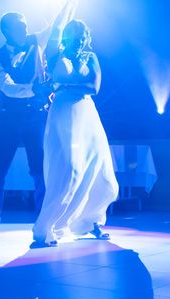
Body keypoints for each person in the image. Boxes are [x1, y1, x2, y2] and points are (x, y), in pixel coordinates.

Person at [0, 0, 80, 244]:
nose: (26, 28)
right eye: (20, 26)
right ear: (7, 31)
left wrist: (69, 2)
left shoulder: (37, 40)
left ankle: (43, 225)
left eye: (25, 25)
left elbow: (57, 25)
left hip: (36, 116)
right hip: (9, 119)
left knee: (40, 170)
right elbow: (7, 88)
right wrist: (34, 89)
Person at [32, 19, 119, 247]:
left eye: (82, 34)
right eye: (74, 34)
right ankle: (47, 226)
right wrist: (69, 3)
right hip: (62, 114)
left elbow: (94, 88)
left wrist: (62, 86)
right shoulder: (54, 53)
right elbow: (56, 30)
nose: (79, 39)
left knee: (102, 174)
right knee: (69, 168)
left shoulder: (91, 57)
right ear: (66, 36)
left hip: (87, 116)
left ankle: (91, 222)